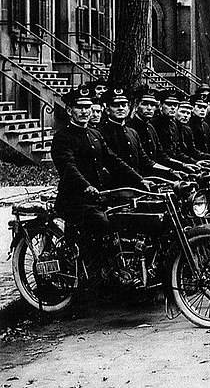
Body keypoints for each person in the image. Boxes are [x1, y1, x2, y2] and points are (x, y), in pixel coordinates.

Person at [51, 85, 146, 264]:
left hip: (98, 196)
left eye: (88, 107)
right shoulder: (63, 137)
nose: (85, 111)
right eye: (80, 107)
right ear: (69, 110)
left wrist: (140, 180)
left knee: (129, 215)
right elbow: (68, 168)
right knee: (103, 223)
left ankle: (124, 265)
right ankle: (93, 278)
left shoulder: (94, 133)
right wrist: (87, 186)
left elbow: (113, 160)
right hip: (75, 199)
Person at [128, 87, 192, 174]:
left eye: (153, 105)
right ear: (136, 105)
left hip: (156, 172)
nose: (149, 108)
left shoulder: (150, 128)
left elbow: (161, 155)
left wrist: (183, 165)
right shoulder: (130, 128)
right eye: (145, 104)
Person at [151, 90, 197, 166]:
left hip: (174, 163)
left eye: (175, 105)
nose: (172, 108)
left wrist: (194, 163)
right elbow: (160, 155)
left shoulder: (173, 125)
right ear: (161, 106)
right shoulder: (154, 124)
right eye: (169, 104)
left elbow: (177, 152)